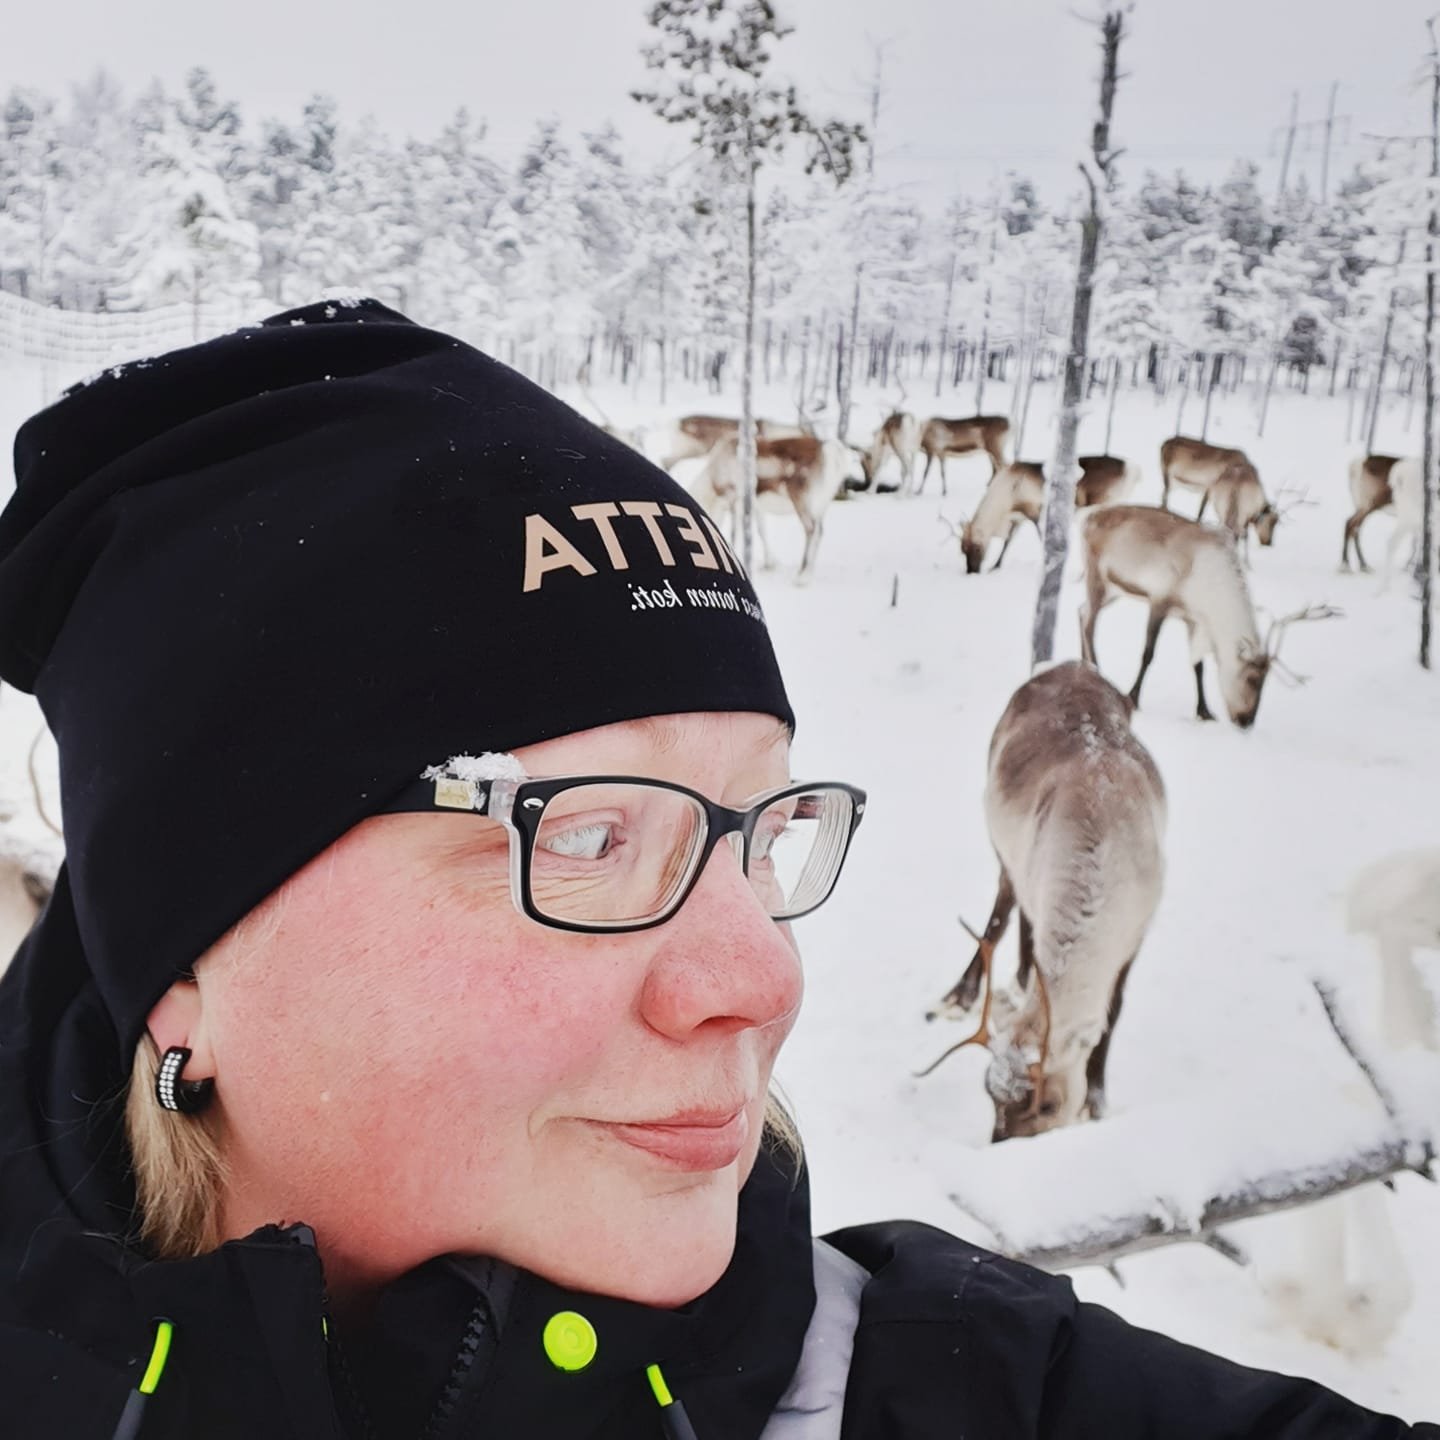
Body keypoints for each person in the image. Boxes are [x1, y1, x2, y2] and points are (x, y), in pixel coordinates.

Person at [0, 298, 1431, 1440]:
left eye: (756, 831)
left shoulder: (945, 1386)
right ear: (189, 957)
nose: (764, 978)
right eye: (587, 836)